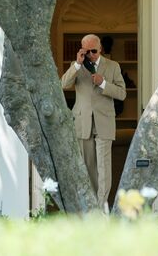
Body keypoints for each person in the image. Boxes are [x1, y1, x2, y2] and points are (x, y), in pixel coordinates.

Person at [61, 34, 126, 209]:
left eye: (94, 51)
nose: (91, 54)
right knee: (88, 166)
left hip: (104, 121)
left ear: (100, 49)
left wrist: (104, 83)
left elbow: (122, 93)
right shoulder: (77, 66)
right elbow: (63, 84)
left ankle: (101, 206)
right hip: (83, 122)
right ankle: (91, 207)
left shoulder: (113, 66)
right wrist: (77, 64)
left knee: (104, 168)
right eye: (86, 51)